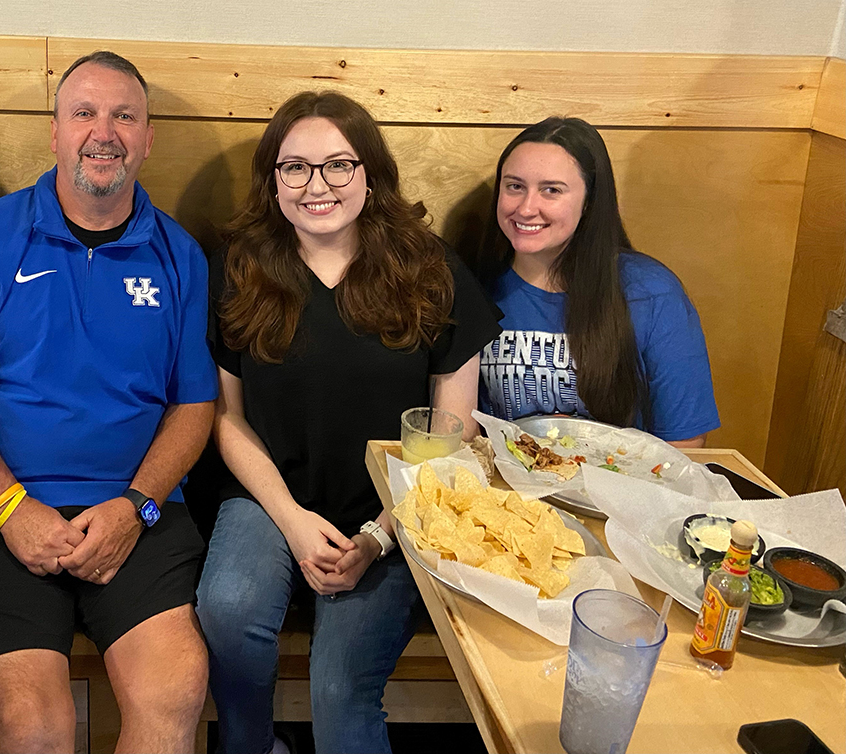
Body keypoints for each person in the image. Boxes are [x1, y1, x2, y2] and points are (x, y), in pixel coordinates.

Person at [0, 51, 215, 753]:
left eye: (124, 116)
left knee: (177, 690)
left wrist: (137, 506)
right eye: (85, 114)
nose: (104, 133)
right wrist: (11, 507)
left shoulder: (180, 256)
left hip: (137, 512)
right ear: (55, 131)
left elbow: (194, 407)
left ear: (147, 136)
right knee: (30, 724)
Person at [195, 91, 502, 754]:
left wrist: (379, 538)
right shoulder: (238, 271)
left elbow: (454, 435)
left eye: (338, 165)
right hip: (266, 491)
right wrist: (289, 516)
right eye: (294, 168)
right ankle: (249, 743)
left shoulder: (433, 271)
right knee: (228, 609)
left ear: (371, 173)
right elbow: (227, 417)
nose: (317, 186)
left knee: (338, 691)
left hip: (396, 507)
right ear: (271, 181)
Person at [464, 117, 719, 446]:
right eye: (514, 186)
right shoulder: (474, 287)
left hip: (621, 489)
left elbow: (685, 442)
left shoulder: (652, 293)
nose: (526, 208)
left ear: (590, 201)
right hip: (506, 490)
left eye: (551, 190)